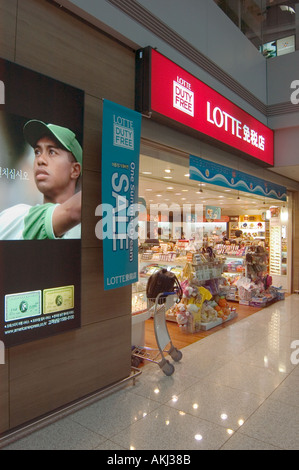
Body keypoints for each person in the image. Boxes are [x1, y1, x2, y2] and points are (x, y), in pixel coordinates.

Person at [0, 120, 82, 240]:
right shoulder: (14, 217)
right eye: (37, 152)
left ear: (75, 170)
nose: (40, 160)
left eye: (52, 152)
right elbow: (73, 211)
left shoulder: (89, 229)